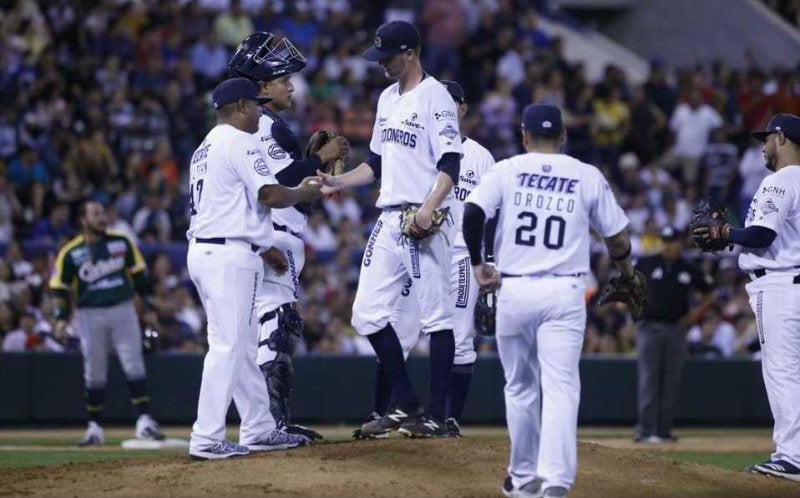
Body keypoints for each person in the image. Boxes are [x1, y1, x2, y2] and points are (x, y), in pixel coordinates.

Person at [462, 103, 634, 497]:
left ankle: (522, 478)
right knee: (560, 386)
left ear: (524, 136)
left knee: (520, 387)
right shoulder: (585, 174)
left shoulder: (505, 170)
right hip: (563, 291)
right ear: (563, 136)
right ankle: (555, 479)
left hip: (514, 289)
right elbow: (618, 239)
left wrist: (477, 266)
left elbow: (472, 213)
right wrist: (625, 272)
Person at [318, 21, 463, 438]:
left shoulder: (435, 97)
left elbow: (450, 163)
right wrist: (337, 182)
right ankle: (409, 403)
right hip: (389, 218)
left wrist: (428, 208)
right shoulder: (386, 98)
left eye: (387, 56)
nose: (380, 63)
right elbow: (376, 164)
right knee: (365, 314)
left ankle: (438, 415)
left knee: (436, 319)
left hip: (426, 220)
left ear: (411, 54)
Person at [186, 77, 322, 460]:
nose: (261, 112)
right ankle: (207, 436)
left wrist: (263, 247)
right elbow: (270, 194)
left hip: (213, 250)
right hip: (228, 256)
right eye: (257, 105)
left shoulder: (205, 146)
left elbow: (227, 205)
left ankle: (259, 427)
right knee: (228, 346)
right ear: (242, 106)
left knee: (241, 344)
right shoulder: (239, 139)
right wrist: (304, 192)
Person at [228, 32, 349, 442]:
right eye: (283, 80)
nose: (291, 86)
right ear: (262, 87)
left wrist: (307, 164)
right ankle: (270, 425)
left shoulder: (252, 125)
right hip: (271, 235)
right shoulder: (263, 123)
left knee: (255, 333)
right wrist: (319, 160)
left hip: (262, 235)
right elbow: (278, 183)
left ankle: (262, 424)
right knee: (276, 325)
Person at [362, 80, 495, 439]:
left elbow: (492, 213)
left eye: (452, 102)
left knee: (461, 337)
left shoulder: (481, 156)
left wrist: (491, 260)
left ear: (462, 108)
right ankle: (384, 412)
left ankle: (447, 419)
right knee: (397, 328)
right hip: (419, 241)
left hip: (463, 255)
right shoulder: (420, 143)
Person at [693, 112, 800, 481]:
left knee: (782, 372)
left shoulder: (781, 179)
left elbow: (761, 236)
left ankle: (792, 456)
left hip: (782, 286)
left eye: (766, 138)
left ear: (782, 139)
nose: (763, 146)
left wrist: (725, 230)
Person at [49, 200, 166, 446]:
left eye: (103, 213)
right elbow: (59, 289)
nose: (102, 217)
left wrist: (149, 309)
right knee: (94, 371)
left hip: (123, 309)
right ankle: (94, 428)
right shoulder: (70, 252)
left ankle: (145, 422)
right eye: (96, 214)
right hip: (90, 314)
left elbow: (141, 279)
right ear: (83, 219)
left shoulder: (121, 242)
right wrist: (60, 319)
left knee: (134, 364)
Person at [633, 225, 714, 444]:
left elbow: (709, 292)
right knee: (649, 378)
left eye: (672, 241)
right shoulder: (647, 262)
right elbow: (630, 285)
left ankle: (663, 430)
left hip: (676, 328)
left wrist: (695, 314)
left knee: (670, 380)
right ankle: (645, 429)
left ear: (680, 242)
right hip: (650, 327)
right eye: (666, 241)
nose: (669, 245)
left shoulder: (687, 267)